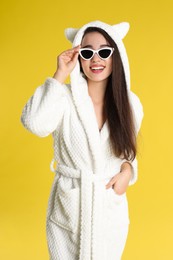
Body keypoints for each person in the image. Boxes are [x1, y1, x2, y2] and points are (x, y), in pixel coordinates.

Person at [21, 20, 144, 260]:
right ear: (78, 57)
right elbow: (35, 123)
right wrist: (59, 76)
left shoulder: (130, 104)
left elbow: (128, 152)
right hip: (70, 207)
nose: (96, 59)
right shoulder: (62, 98)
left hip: (109, 210)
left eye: (104, 52)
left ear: (116, 56)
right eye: (87, 52)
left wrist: (128, 170)